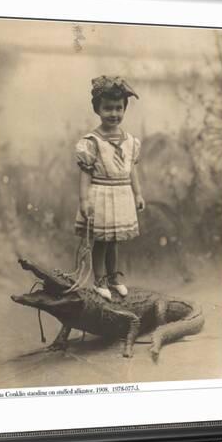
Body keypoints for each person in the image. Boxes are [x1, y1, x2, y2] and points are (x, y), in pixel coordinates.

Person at [74, 75, 145, 300]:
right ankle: (99, 279)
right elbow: (85, 173)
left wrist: (138, 193)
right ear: (97, 109)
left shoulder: (130, 141)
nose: (113, 114)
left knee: (115, 240)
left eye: (118, 108)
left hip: (122, 193)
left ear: (124, 109)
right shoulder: (92, 141)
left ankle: (114, 277)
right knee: (102, 241)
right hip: (101, 194)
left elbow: (131, 169)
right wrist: (84, 201)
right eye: (107, 108)